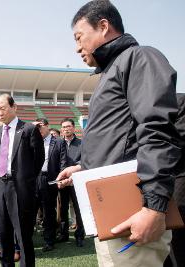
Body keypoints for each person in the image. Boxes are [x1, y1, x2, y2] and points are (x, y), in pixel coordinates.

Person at [57, 1, 181, 266]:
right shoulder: (110, 72)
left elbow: (157, 133)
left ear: (103, 26)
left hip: (135, 208)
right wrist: (84, 167)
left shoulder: (140, 58)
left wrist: (154, 207)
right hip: (113, 209)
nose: (77, 47)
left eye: (79, 37)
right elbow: (120, 143)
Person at [0, 94, 44, 267]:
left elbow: (39, 159)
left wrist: (24, 179)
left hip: (19, 189)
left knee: (23, 238)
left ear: (14, 107)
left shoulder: (28, 129)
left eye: (3, 108)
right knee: (3, 237)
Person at [33, 118, 67, 252]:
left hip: (49, 179)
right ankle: (27, 239)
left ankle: (49, 240)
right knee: (31, 210)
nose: (39, 129)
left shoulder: (58, 141)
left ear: (48, 126)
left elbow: (63, 162)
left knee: (48, 212)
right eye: (37, 127)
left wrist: (60, 178)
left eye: (41, 126)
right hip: (34, 179)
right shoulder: (32, 140)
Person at [165, 93, 185, 267]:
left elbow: (178, 140)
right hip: (154, 178)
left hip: (178, 176)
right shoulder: (137, 105)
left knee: (177, 237)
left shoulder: (180, 100)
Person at [58, 118, 85, 247]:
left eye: (68, 126)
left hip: (77, 181)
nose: (66, 129)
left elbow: (85, 160)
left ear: (74, 128)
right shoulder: (57, 143)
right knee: (62, 209)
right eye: (63, 127)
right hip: (62, 182)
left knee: (78, 209)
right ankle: (63, 234)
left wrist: (74, 171)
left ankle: (79, 235)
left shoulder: (82, 143)